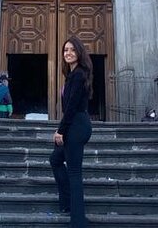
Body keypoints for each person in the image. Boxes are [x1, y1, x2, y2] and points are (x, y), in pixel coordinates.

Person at [50, 35, 93, 228]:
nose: (68, 53)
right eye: (65, 50)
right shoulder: (73, 75)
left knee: (74, 172)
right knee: (55, 160)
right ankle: (67, 203)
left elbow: (72, 106)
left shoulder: (79, 74)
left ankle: (78, 221)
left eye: (72, 50)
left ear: (79, 53)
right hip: (75, 124)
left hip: (77, 125)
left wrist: (60, 131)